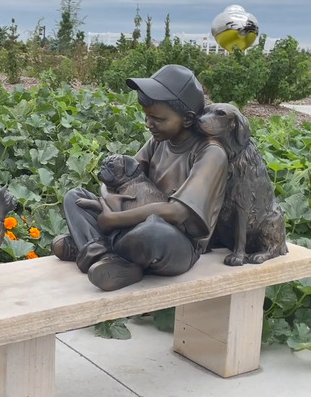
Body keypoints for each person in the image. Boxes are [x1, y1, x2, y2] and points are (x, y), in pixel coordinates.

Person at [52, 64, 229, 291]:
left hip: (178, 241)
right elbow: (118, 178)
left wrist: (114, 220)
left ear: (187, 119)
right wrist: (109, 201)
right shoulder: (158, 140)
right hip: (129, 219)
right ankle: (109, 256)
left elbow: (177, 213)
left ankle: (95, 247)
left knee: (153, 232)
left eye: (157, 118)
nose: (148, 124)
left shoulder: (210, 153)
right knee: (73, 197)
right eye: (147, 117)